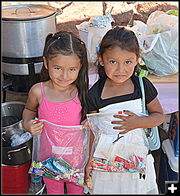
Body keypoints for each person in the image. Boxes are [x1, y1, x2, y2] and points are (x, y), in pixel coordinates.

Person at [85, 26, 165, 194]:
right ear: (101, 60)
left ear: (137, 60)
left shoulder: (142, 86)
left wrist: (138, 123)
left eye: (127, 62)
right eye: (113, 62)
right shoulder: (95, 94)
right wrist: (88, 160)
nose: (120, 70)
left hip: (136, 159)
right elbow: (93, 131)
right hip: (106, 161)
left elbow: (159, 117)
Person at [22, 31, 89, 194]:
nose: (65, 76)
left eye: (72, 69)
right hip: (49, 159)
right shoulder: (38, 91)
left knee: (76, 191)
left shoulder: (82, 93)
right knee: (54, 191)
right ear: (46, 63)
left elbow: (91, 119)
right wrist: (28, 124)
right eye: (57, 68)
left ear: (80, 67)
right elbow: (29, 110)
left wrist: (90, 123)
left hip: (76, 160)